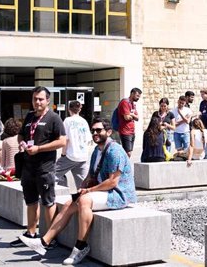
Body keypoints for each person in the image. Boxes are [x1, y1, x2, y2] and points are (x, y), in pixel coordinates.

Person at [20, 117, 137, 264]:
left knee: (84, 200)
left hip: (119, 194)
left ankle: (80, 246)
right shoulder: (96, 150)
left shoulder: (115, 151)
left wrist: (89, 190)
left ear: (108, 131)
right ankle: (44, 242)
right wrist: (83, 186)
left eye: (99, 130)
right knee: (71, 202)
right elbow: (91, 175)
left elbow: (113, 182)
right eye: (93, 130)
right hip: (103, 192)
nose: (95, 133)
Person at [10, 86, 66, 248]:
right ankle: (31, 233)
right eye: (35, 99)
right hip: (28, 166)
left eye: (41, 99)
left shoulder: (54, 118)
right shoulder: (29, 116)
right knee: (31, 201)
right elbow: (22, 134)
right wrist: (21, 142)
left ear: (48, 100)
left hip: (45, 167)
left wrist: (39, 149)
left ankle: (50, 237)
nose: (37, 102)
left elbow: (62, 141)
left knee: (48, 201)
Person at [54, 100, 90, 189]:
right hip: (83, 156)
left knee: (52, 174)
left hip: (71, 155)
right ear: (79, 109)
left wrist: (63, 154)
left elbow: (66, 139)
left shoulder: (67, 120)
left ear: (69, 109)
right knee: (82, 184)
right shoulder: (84, 121)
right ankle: (82, 199)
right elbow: (88, 139)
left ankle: (63, 189)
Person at [116, 88, 141, 158]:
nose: (138, 98)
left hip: (132, 131)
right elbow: (126, 117)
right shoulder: (125, 102)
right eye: (137, 96)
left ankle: (123, 167)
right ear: (132, 94)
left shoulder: (133, 104)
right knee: (128, 153)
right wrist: (133, 115)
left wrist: (132, 115)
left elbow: (138, 118)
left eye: (139, 96)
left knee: (128, 152)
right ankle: (123, 167)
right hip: (125, 131)